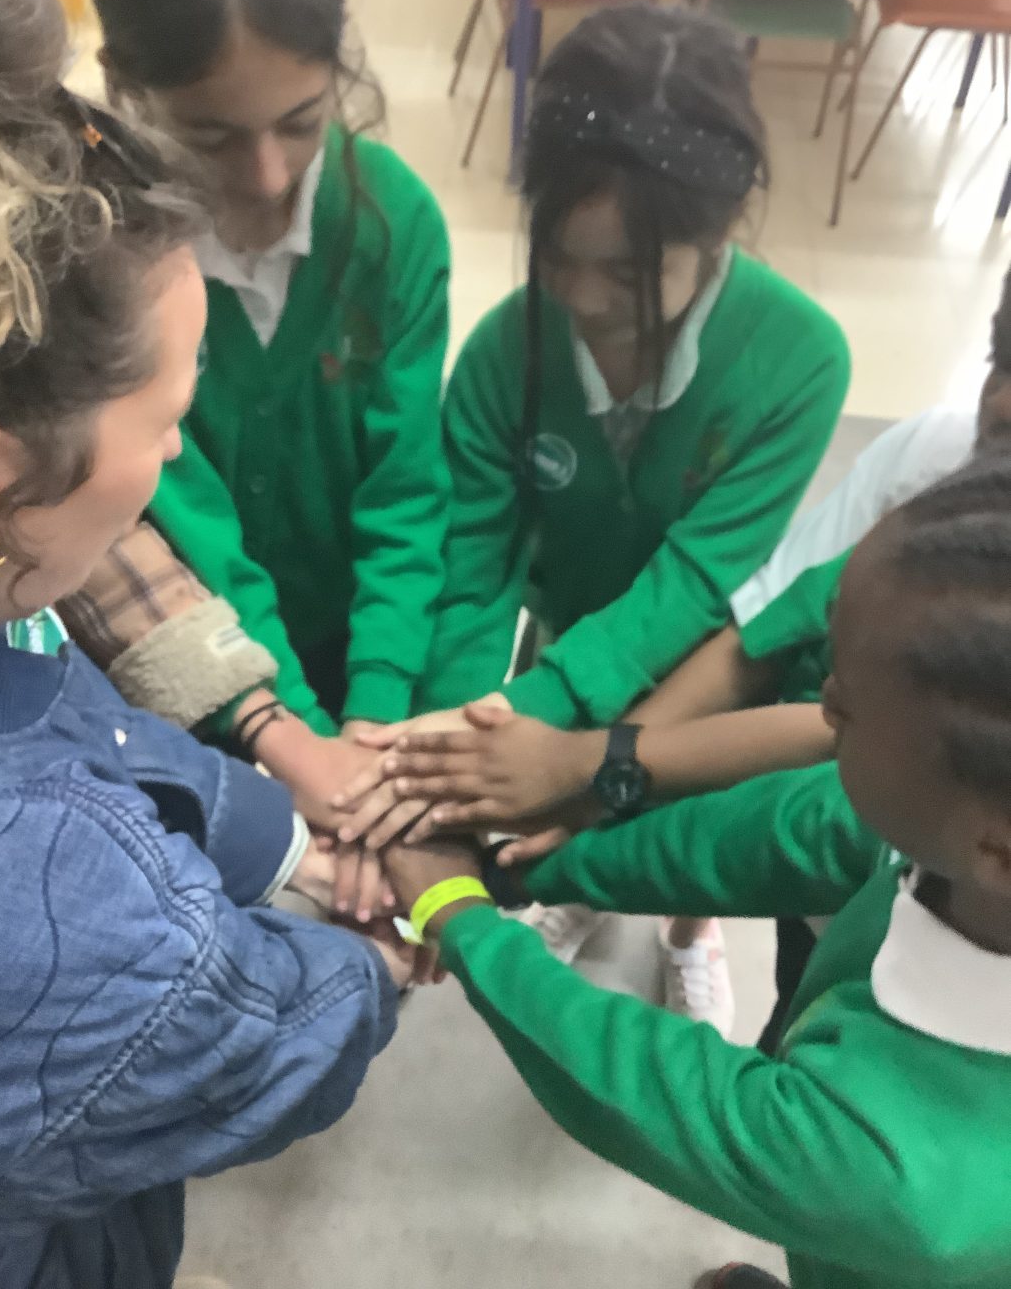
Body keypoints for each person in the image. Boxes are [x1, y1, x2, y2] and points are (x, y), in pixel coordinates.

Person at [0, 0, 410, 1286]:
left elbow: (62, 634)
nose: (172, 462)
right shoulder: (60, 905)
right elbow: (266, 1029)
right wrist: (393, 950)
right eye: (166, 426)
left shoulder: (1, 532)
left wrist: (281, 806)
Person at [381, 449, 1011, 1289]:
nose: (818, 704)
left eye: (845, 709)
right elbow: (785, 831)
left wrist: (459, 919)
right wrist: (554, 869)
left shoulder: (912, 1178)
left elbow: (652, 1092)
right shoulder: (961, 827)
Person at [332, 3, 851, 973]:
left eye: (628, 272)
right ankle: (579, 876)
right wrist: (463, 748)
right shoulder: (506, 349)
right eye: (558, 257)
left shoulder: (800, 360)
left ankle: (690, 933)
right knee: (565, 823)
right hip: (569, 634)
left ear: (721, 228)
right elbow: (472, 571)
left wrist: (548, 714)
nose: (583, 298)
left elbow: (700, 579)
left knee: (680, 822)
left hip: (714, 656)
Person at [374, 265, 1011, 1034]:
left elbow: (665, 1077)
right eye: (999, 362)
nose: (1000, 407)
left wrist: (467, 907)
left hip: (839, 885)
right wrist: (583, 807)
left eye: (845, 711)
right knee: (788, 973)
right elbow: (769, 639)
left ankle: (679, 926)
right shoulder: (929, 479)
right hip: (822, 877)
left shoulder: (871, 1066)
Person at [71, 0, 452, 820]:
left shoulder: (393, 224)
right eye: (211, 137)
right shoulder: (100, 252)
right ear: (124, 82)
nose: (268, 176)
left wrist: (370, 722)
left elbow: (405, 494)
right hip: (195, 670)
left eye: (302, 120)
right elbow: (187, 523)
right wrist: (297, 736)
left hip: (352, 655)